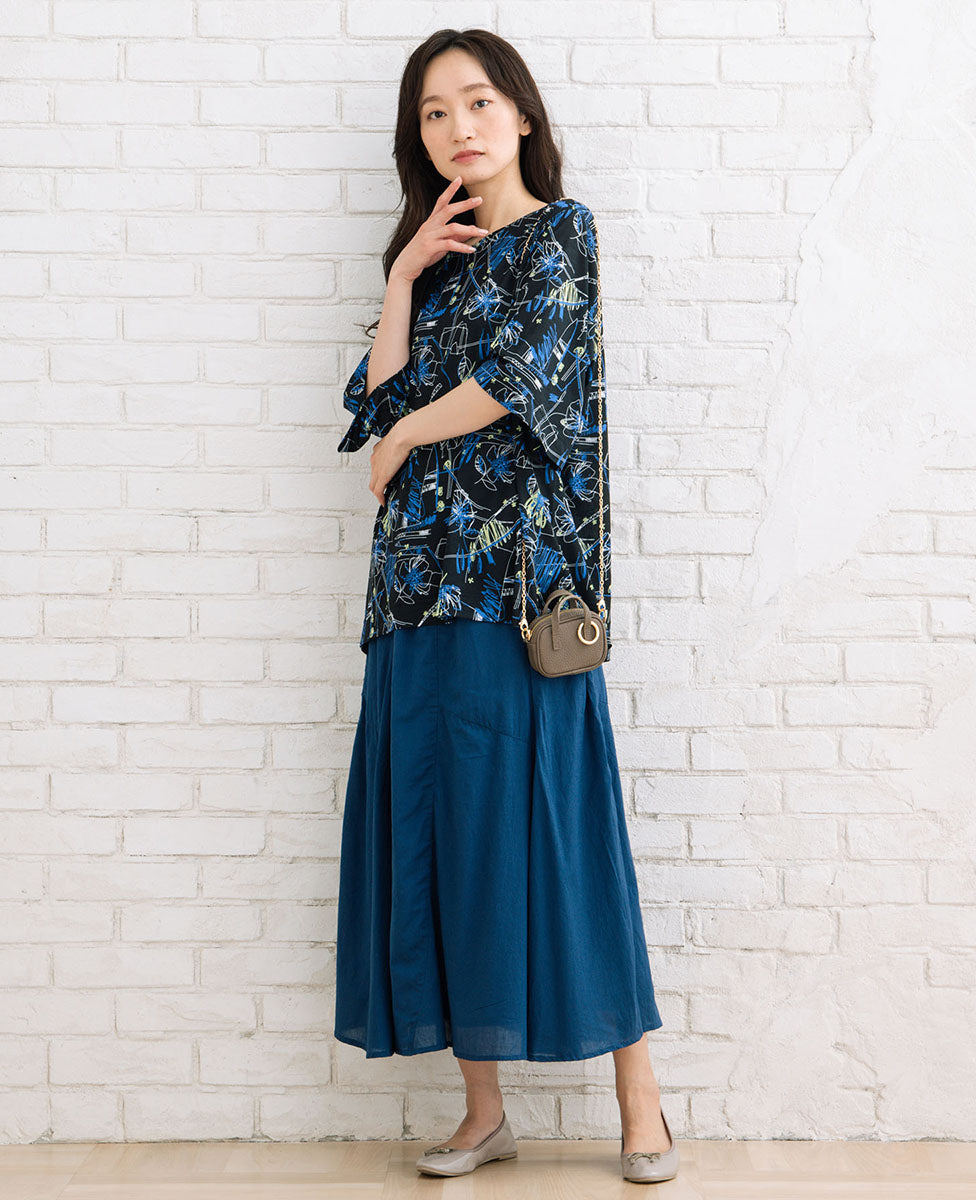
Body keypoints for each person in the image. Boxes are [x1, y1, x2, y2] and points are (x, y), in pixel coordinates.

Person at [334, 28, 678, 1185]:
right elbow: (373, 403)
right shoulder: (433, 259)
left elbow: (514, 383)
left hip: (518, 596)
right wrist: (400, 278)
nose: (458, 127)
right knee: (441, 844)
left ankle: (641, 1102)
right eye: (434, 113)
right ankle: (482, 1114)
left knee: (558, 838)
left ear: (521, 114)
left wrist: (404, 438)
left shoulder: (562, 233)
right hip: (414, 596)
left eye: (477, 102)